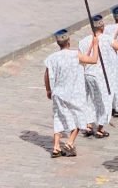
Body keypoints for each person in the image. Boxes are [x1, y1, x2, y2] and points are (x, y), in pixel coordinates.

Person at [44, 29, 98, 158]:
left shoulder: (51, 58)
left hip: (59, 92)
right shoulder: (76, 55)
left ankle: (56, 147)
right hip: (75, 93)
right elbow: (94, 60)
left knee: (58, 118)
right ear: (69, 41)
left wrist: (48, 89)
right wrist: (95, 45)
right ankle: (70, 142)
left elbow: (46, 75)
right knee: (79, 117)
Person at [79, 14, 118, 139]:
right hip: (104, 76)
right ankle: (100, 128)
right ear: (102, 26)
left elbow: (81, 60)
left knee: (90, 99)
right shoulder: (108, 39)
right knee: (105, 100)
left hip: (88, 74)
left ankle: (89, 125)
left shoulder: (83, 41)